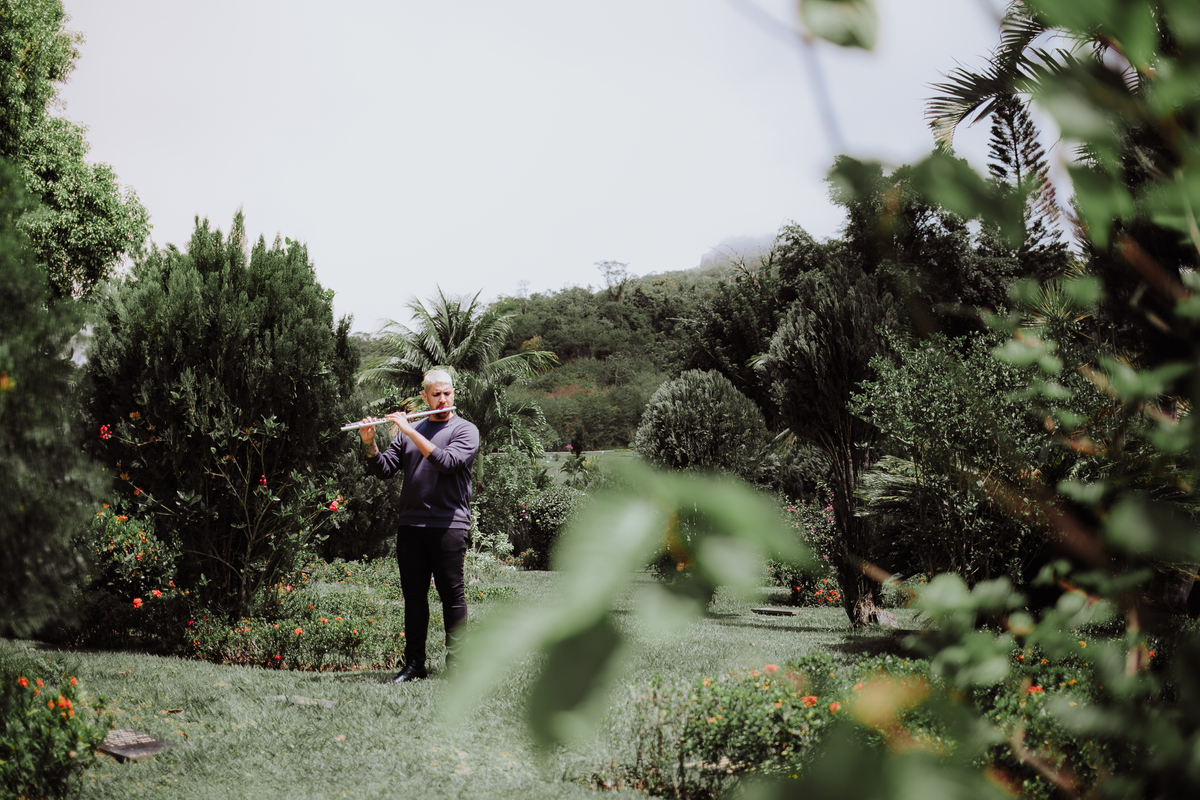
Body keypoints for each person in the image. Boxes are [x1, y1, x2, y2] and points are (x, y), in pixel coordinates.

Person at [359, 369, 479, 683]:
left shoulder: (465, 430)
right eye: (436, 394)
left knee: (452, 596)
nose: (442, 400)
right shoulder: (409, 433)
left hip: (449, 525)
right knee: (414, 598)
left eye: (447, 393)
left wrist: (410, 432)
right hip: (411, 524)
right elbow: (384, 469)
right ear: (424, 396)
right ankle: (414, 665)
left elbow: (447, 462)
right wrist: (370, 444)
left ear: (453, 393)